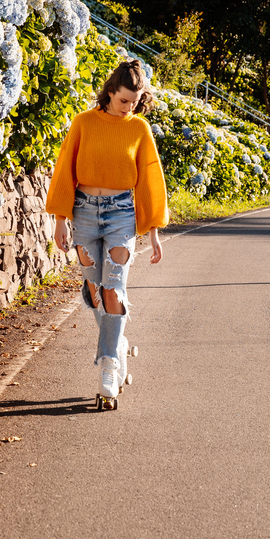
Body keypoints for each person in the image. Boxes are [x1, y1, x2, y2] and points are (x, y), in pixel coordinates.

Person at [44, 59, 168, 408]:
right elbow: (65, 169)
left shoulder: (139, 128)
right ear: (111, 92)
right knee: (95, 291)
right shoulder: (84, 122)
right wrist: (59, 219)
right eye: (124, 100)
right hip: (84, 213)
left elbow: (149, 181)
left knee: (113, 287)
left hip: (121, 215)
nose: (129, 107)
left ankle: (108, 365)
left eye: (135, 102)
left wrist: (153, 232)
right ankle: (117, 343)